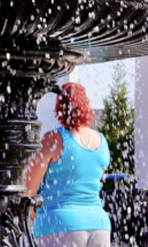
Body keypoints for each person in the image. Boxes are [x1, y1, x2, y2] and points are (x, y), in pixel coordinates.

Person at [25, 83, 111, 247]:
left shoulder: (53, 139)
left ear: (60, 108)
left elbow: (29, 187)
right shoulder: (101, 142)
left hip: (60, 224)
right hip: (99, 224)